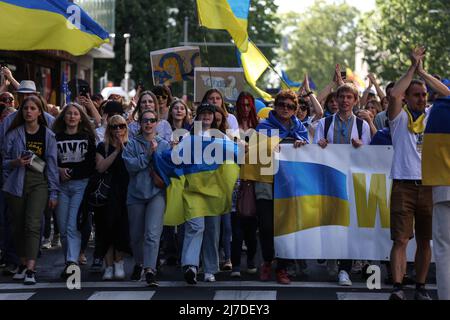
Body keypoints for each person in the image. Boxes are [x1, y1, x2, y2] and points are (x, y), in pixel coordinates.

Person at [387, 47, 450, 300]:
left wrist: (423, 72)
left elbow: (449, 94)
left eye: (425, 94)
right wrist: (412, 68)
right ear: (408, 98)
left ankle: (421, 287)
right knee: (401, 239)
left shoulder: (434, 115)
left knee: (426, 241)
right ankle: (398, 287)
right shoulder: (399, 118)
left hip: (430, 185)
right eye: (416, 95)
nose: (422, 98)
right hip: (404, 184)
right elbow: (394, 94)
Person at [314, 83, 371, 286]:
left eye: (349, 97)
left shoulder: (362, 126)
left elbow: (371, 157)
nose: (345, 101)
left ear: (355, 101)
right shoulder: (325, 124)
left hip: (352, 182)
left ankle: (344, 269)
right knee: (331, 223)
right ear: (336, 100)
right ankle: (331, 257)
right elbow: (313, 153)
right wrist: (319, 146)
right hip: (329, 181)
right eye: (342, 97)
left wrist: (362, 148)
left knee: (348, 225)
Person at [2, 95, 59, 285]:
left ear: (39, 112)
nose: (28, 112)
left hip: (39, 182)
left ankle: (30, 269)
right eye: (26, 108)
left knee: (33, 224)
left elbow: (51, 165)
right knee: (17, 226)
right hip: (16, 181)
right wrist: (15, 162)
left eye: (33, 108)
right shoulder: (13, 133)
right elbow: (3, 162)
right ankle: (23, 262)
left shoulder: (48, 135)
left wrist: (53, 192)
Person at [256, 89, 309, 285]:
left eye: (290, 106)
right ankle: (268, 261)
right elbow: (255, 154)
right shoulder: (263, 127)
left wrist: (304, 145)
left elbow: (310, 154)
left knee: (287, 227)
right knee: (267, 226)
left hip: (290, 185)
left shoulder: (300, 129)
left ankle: (283, 268)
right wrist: (268, 146)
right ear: (275, 106)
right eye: (281, 105)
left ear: (295, 109)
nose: (285, 109)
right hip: (266, 183)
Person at [123, 110, 170, 286]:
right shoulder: (132, 144)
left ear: (157, 123)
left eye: (152, 120)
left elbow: (168, 167)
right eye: (145, 120)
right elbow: (130, 165)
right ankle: (139, 263)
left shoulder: (164, 144)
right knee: (136, 236)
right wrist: (149, 156)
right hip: (135, 194)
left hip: (156, 193)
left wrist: (160, 156)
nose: (148, 123)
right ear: (140, 123)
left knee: (152, 234)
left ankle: (150, 269)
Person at [52, 103, 96, 278]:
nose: (71, 116)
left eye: (75, 114)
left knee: (72, 225)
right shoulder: (55, 137)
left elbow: (90, 164)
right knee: (62, 228)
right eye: (68, 113)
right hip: (61, 186)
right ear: (63, 117)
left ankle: (72, 262)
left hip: (80, 185)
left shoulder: (87, 137)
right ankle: (68, 261)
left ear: (81, 117)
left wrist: (73, 172)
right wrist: (59, 170)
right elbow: (50, 160)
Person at [94, 115, 131, 280]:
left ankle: (119, 262)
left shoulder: (131, 146)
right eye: (114, 127)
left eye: (121, 126)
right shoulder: (103, 146)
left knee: (122, 230)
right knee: (106, 230)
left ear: (126, 128)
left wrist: (125, 149)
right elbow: (100, 167)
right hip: (107, 195)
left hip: (125, 193)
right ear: (109, 129)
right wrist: (117, 150)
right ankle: (108, 266)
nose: (118, 130)